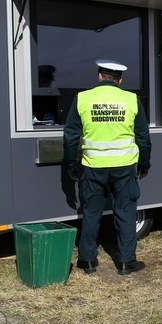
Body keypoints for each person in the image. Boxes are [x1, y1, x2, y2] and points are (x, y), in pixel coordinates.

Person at [63, 60, 151, 275]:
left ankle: (87, 261)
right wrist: (144, 163)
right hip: (124, 168)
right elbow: (143, 137)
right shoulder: (131, 100)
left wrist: (72, 164)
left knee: (91, 213)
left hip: (93, 167)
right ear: (120, 80)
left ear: (99, 77)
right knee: (125, 213)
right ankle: (126, 262)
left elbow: (70, 136)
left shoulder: (82, 99)